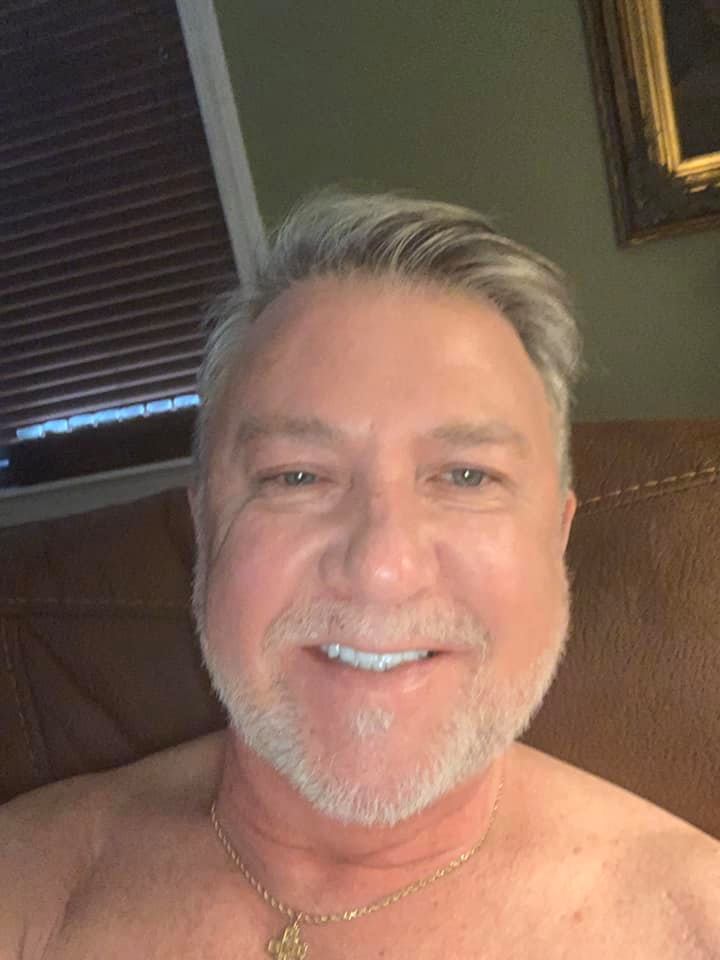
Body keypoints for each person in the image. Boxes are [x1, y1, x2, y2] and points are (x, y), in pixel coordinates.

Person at [1, 191, 718, 959]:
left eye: (467, 476)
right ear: (206, 530)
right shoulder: (34, 884)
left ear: (557, 538)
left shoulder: (692, 924)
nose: (381, 567)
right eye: (296, 476)